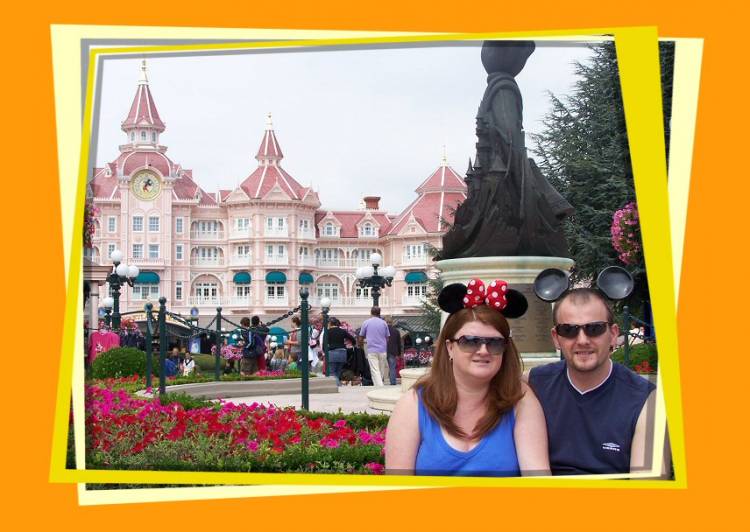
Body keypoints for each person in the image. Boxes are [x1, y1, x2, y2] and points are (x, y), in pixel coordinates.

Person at [386, 279, 549, 476]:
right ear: (450, 348)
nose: (483, 350)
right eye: (470, 341)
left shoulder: (521, 400)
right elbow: (399, 488)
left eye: (495, 343)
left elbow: (538, 481)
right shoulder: (413, 404)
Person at [528, 288, 656, 475]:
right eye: (569, 330)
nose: (582, 340)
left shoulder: (645, 400)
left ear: (613, 334)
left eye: (594, 328)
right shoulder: (534, 384)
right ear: (556, 338)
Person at [358, 307, 390, 387]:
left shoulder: (366, 323)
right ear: (379, 313)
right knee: (381, 370)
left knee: (375, 370)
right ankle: (378, 386)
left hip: (372, 350)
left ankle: (379, 387)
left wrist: (361, 346)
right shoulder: (384, 323)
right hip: (382, 350)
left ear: (371, 313)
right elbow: (387, 337)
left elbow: (361, 337)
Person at [325, 317, 357, 385]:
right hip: (342, 353)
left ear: (330, 323)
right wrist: (352, 345)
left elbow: (324, 345)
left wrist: (325, 352)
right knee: (338, 372)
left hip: (332, 353)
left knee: (332, 372)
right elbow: (352, 339)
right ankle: (339, 385)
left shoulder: (328, 332)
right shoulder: (343, 331)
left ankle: (337, 387)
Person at [385, 317, 403, 385]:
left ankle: (380, 382)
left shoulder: (383, 330)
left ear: (385, 322)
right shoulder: (396, 331)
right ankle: (393, 382)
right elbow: (399, 343)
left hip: (383, 350)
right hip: (393, 352)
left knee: (381, 367)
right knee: (392, 367)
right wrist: (399, 353)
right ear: (392, 323)